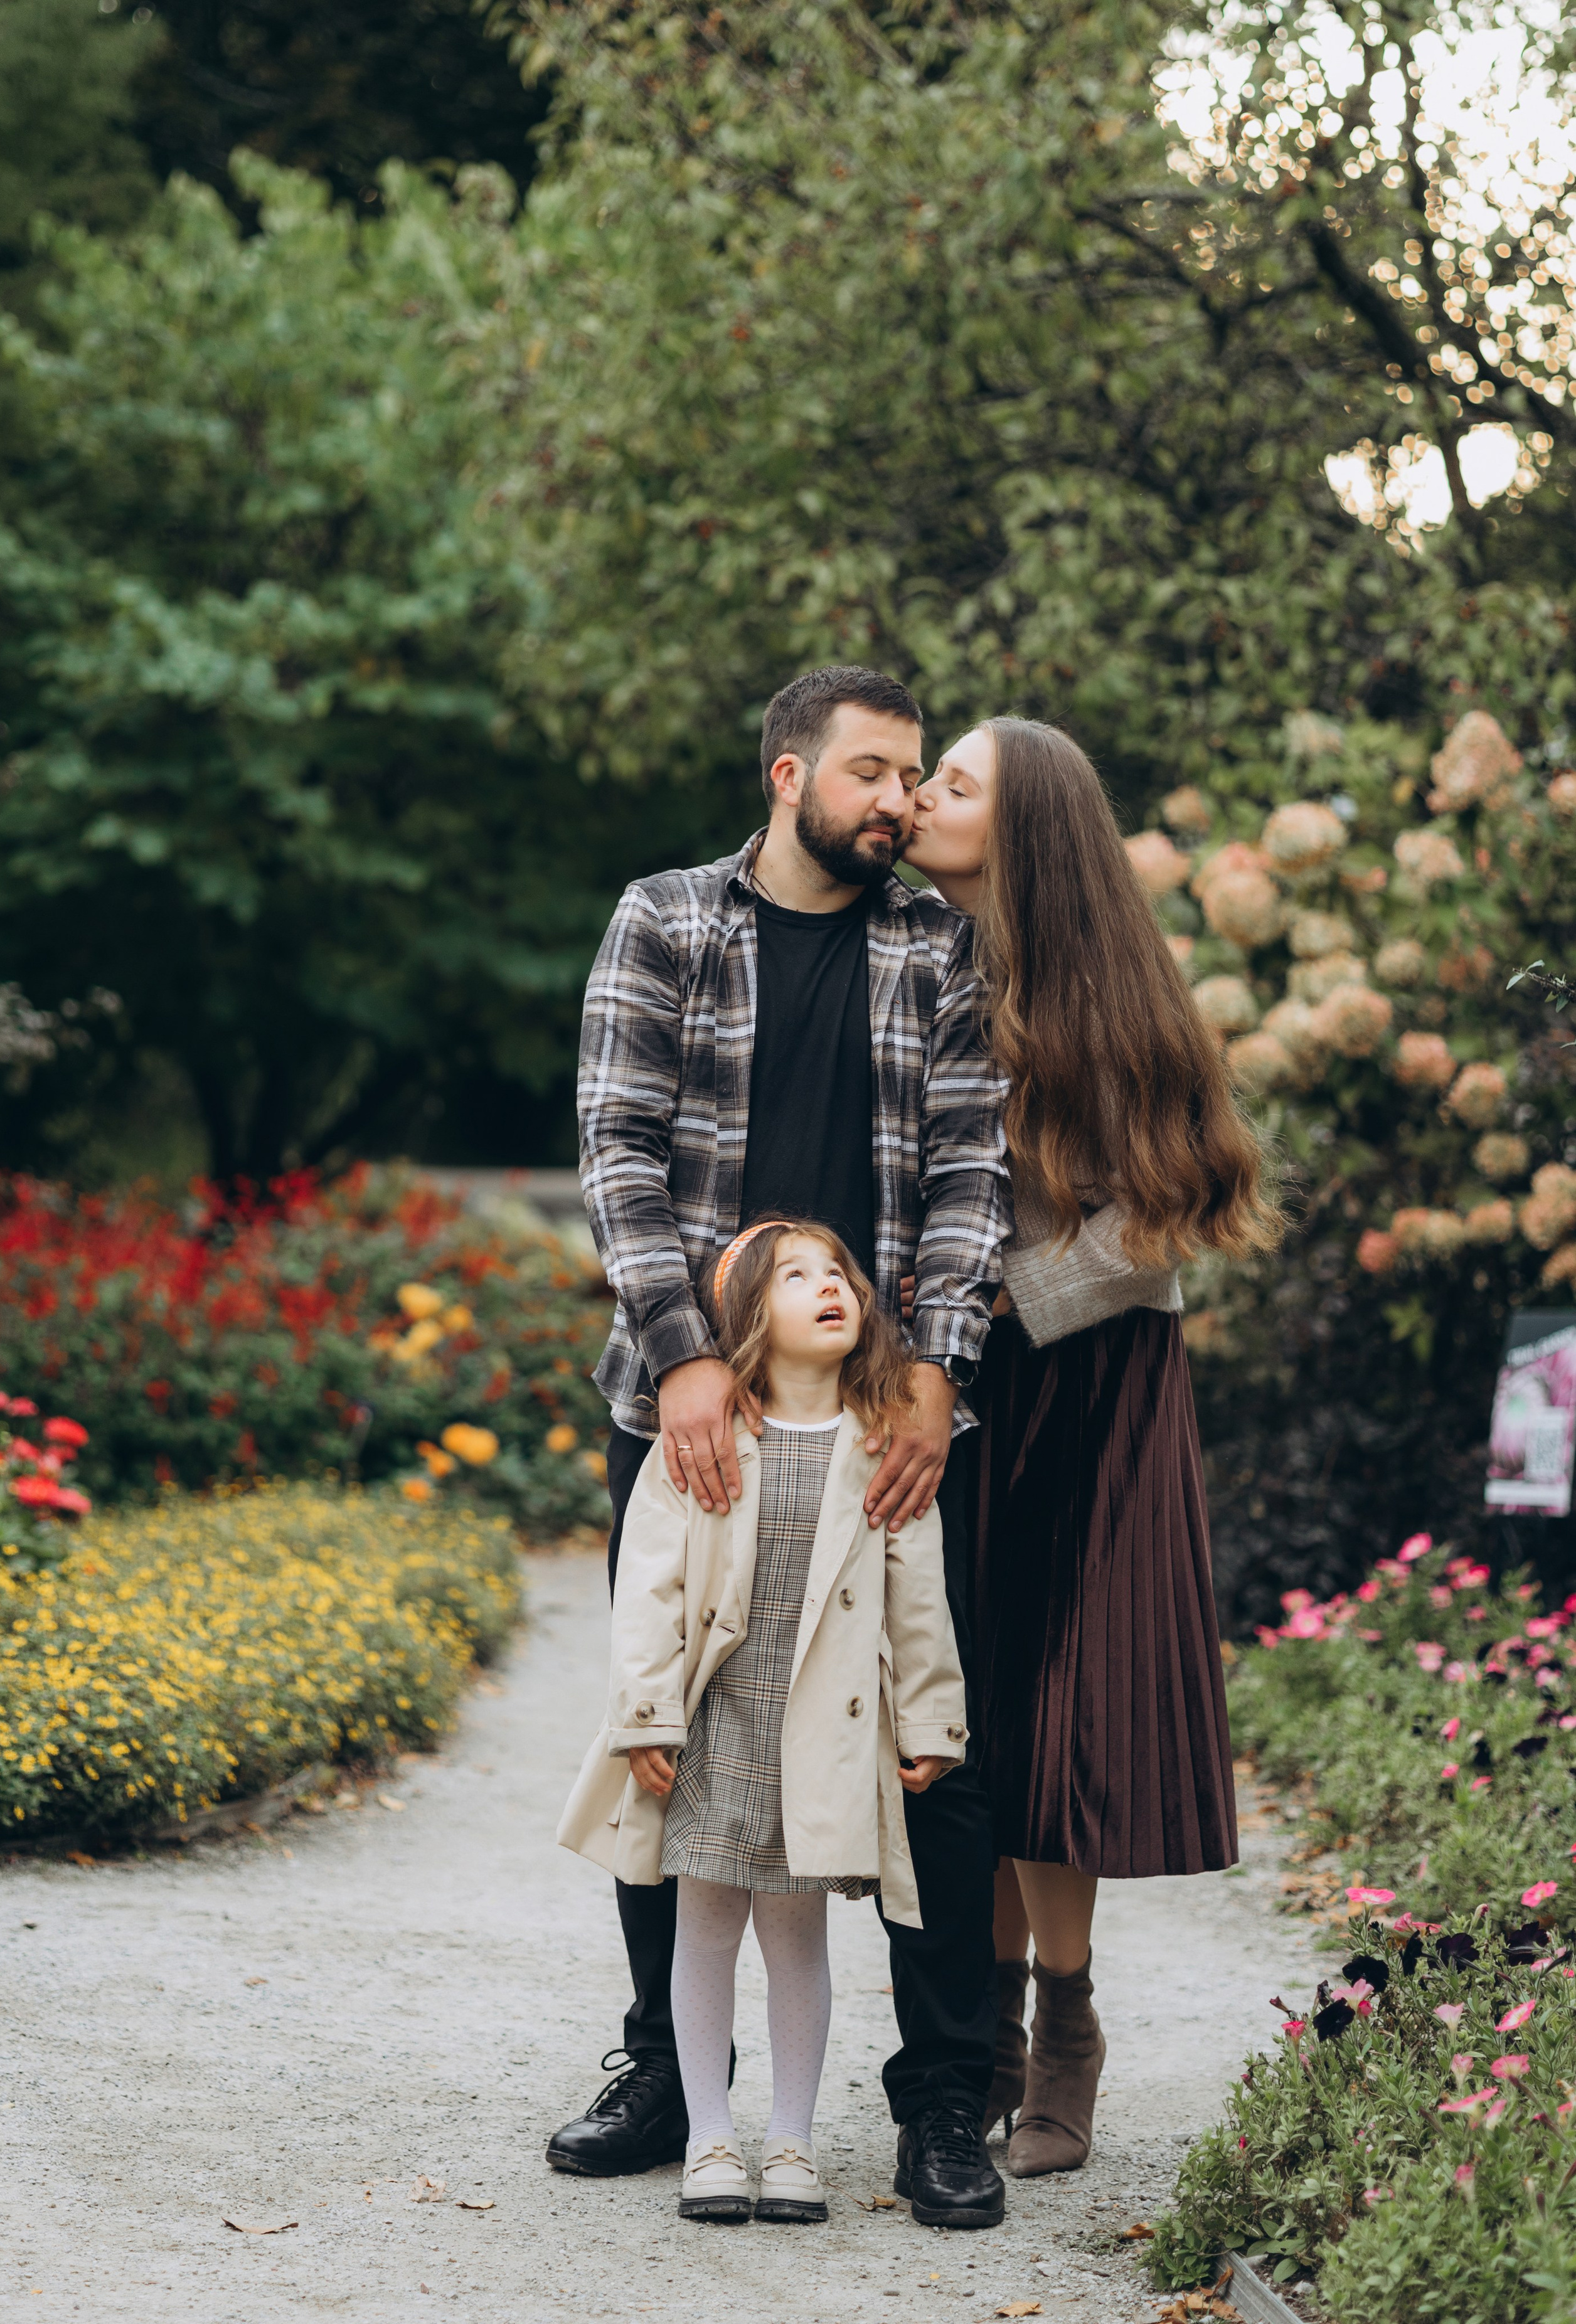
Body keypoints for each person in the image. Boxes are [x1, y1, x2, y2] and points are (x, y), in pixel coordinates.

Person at [549, 665, 1011, 2229]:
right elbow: (615, 1143)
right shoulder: (666, 919)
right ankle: (668, 2073)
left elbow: (966, 1166)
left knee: (927, 1759)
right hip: (682, 1403)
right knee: (664, 1722)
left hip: (876, 1409)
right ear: (787, 773)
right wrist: (683, 1354)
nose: (899, 802)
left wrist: (936, 1366)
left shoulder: (935, 947)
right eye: (873, 773)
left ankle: (949, 2097)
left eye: (914, 776)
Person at [903, 716, 1281, 2176]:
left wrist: (1005, 1293)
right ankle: (983, 2028)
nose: (925, 797)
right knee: (980, 1720)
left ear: (1027, 826)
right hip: (957, 1390)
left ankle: (1064, 2025)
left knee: (1060, 1720)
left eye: (952, 782)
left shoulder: (1108, 998)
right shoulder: (922, 964)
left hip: (1092, 1390)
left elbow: (1159, 1221)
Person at [558, 1220, 966, 2226]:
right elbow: (648, 1587)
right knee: (703, 1927)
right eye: (797, 1277)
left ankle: (792, 2140)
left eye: (841, 1275)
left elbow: (918, 1600)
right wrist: (646, 1714)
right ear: (747, 1319)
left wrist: (932, 1721)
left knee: (796, 1933)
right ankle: (708, 2136)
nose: (831, 1288)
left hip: (822, 1732)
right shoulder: (698, 1444)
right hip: (717, 1725)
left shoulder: (882, 1449)